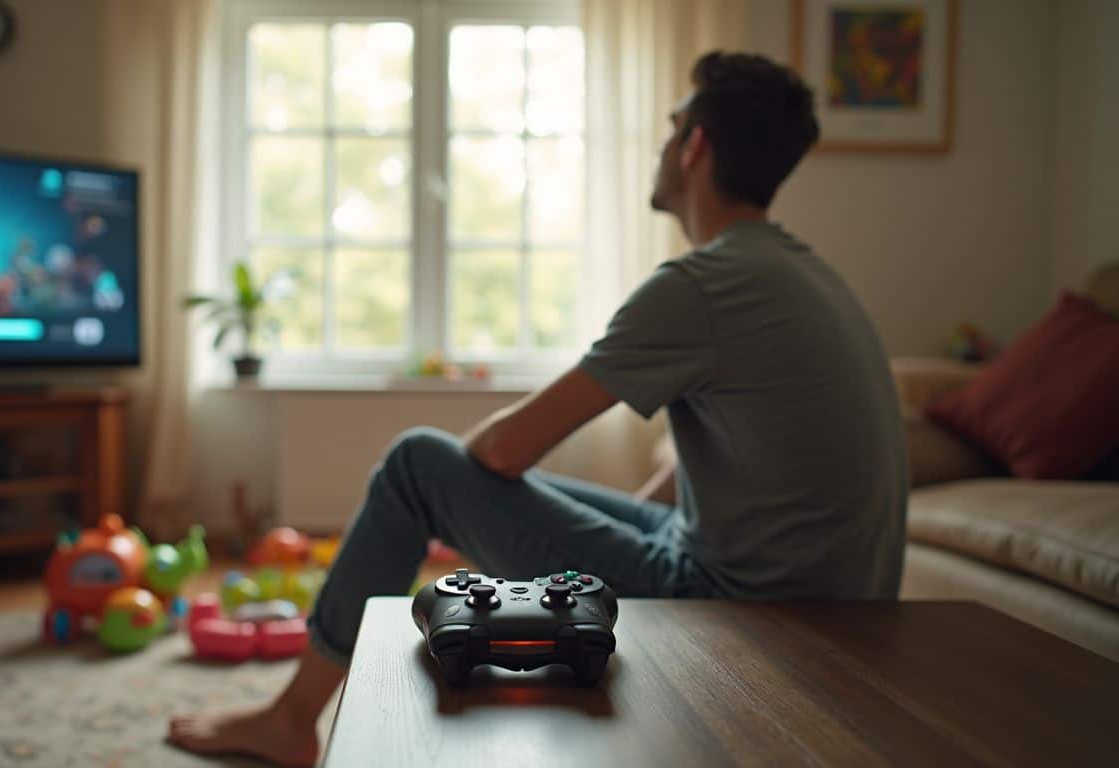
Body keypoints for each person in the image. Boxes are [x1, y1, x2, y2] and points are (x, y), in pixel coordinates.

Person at [169, 51, 907, 766]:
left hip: (744, 616)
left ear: (695, 146)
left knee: (418, 466)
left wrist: (461, 500)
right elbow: (728, 463)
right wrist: (599, 529)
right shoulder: (801, 274)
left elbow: (500, 453)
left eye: (671, 126)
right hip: (826, 611)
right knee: (566, 501)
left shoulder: (701, 286)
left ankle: (289, 722)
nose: (662, 145)